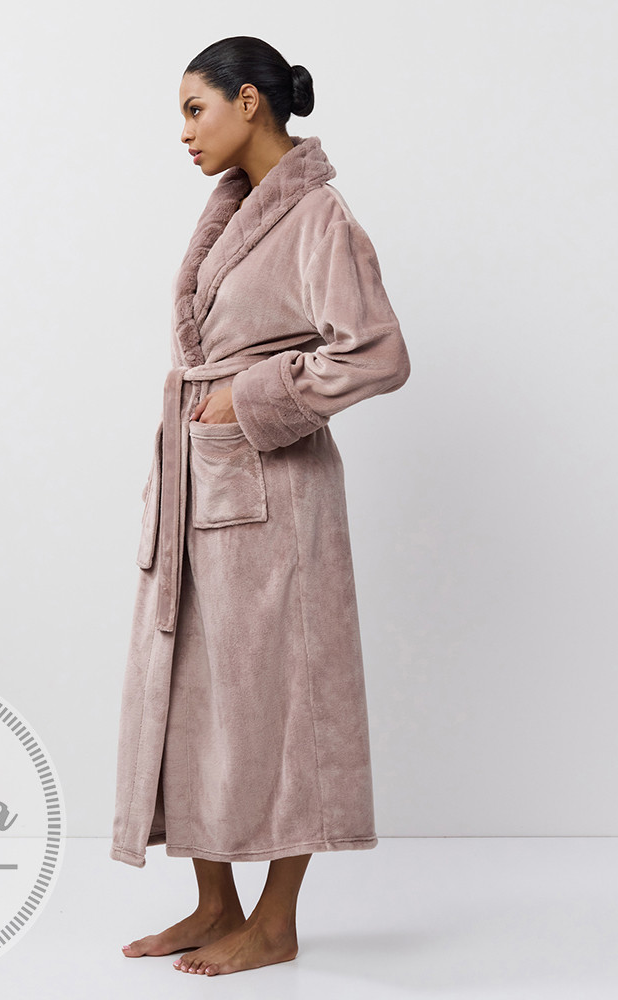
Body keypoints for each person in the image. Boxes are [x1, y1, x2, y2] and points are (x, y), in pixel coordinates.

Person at [111, 36, 411, 976]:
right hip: (203, 486)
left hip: (276, 496)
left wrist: (254, 396)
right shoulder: (237, 211)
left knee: (283, 701)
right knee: (195, 693)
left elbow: (377, 352)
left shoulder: (318, 215)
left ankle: (276, 923)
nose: (184, 132)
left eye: (194, 108)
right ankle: (215, 903)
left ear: (249, 102)